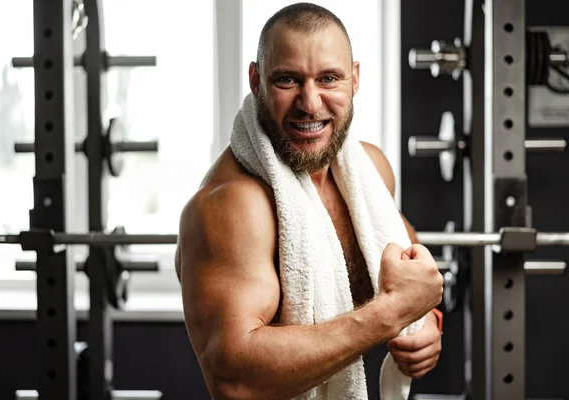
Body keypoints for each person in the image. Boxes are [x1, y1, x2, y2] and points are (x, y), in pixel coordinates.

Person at [175, 2, 444, 399]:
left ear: (354, 79)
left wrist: (427, 327)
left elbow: (409, 278)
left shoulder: (370, 169)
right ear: (256, 80)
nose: (310, 103)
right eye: (287, 80)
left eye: (329, 79)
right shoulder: (231, 206)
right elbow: (234, 381)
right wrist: (389, 315)